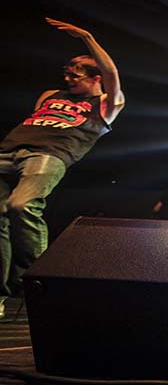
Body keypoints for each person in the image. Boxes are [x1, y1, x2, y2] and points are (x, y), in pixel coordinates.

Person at [0, 18, 125, 319]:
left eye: (76, 75)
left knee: (22, 205)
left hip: (48, 155)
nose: (68, 79)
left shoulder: (107, 103)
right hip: (7, 151)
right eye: (66, 74)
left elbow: (111, 73)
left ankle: (38, 282)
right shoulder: (50, 95)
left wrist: (86, 38)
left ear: (95, 77)